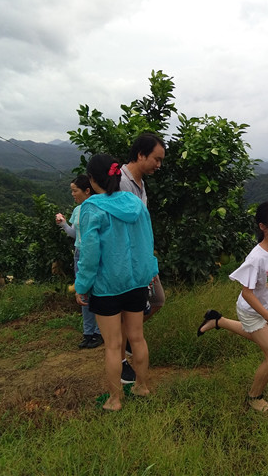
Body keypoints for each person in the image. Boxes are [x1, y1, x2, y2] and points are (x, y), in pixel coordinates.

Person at [197, 200, 268, 412]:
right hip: (251, 311)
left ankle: (216, 320)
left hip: (260, 311)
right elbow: (246, 293)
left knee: (254, 334)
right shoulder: (257, 257)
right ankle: (254, 397)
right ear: (263, 227)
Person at [74, 154, 159, 411]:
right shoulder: (134, 202)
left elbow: (89, 253)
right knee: (137, 337)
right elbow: (147, 241)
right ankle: (142, 387)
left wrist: (82, 285)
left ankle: (114, 400)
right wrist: (149, 272)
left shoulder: (91, 208)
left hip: (107, 286)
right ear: (116, 175)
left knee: (112, 345)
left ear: (91, 179)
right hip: (136, 283)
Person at [117, 132, 166, 384]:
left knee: (157, 300)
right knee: (131, 311)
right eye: (156, 159)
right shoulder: (121, 182)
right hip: (128, 262)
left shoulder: (140, 183)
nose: (159, 165)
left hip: (142, 259)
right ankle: (123, 363)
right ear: (140, 155)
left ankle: (124, 341)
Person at [56, 175, 103, 349]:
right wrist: (63, 224)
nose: (72, 194)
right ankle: (88, 333)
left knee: (97, 293)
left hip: (93, 254)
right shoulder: (77, 210)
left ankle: (99, 333)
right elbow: (75, 234)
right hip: (79, 254)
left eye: (75, 190)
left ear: (87, 190)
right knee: (82, 294)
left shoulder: (98, 208)